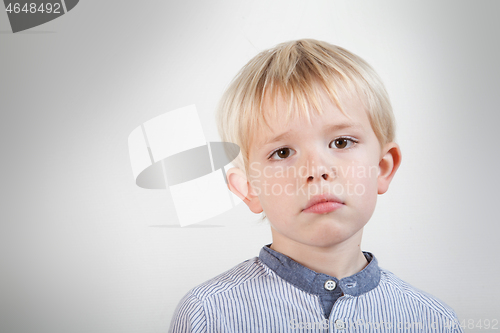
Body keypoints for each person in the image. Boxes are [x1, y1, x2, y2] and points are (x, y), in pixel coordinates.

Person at [168, 39, 463, 332]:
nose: (317, 170)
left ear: (382, 168)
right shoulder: (206, 316)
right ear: (249, 188)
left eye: (341, 142)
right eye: (282, 152)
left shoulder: (434, 322)